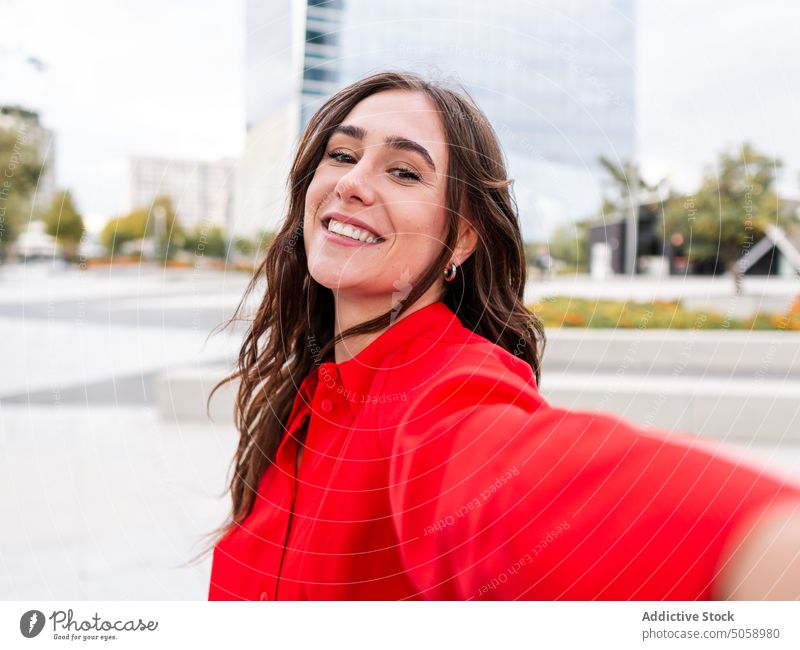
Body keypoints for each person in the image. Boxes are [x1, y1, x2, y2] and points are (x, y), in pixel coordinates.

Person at [205, 71, 800, 601]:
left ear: (461, 239)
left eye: (404, 170)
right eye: (341, 155)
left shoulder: (447, 391)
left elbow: (516, 495)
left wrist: (762, 551)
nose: (353, 184)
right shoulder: (303, 397)